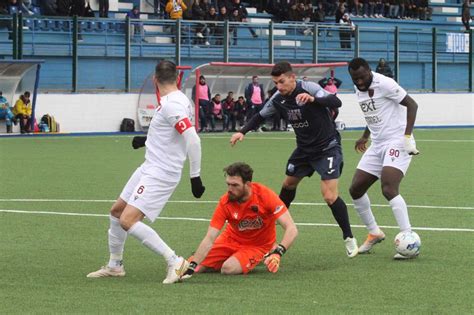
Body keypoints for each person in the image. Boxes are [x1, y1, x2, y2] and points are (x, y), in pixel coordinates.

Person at [87, 60, 206, 284]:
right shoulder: (180, 100)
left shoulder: (172, 104)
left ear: (154, 80)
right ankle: (115, 265)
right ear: (177, 78)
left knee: (127, 220)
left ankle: (175, 261)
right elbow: (173, 134)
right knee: (116, 211)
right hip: (149, 166)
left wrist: (195, 176)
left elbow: (193, 139)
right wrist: (146, 140)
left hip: (161, 172)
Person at [230, 61, 358, 258]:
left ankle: (349, 237)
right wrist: (242, 132)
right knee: (288, 184)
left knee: (329, 196)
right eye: (276, 83)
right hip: (304, 150)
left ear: (292, 78)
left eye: (282, 82)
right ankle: (271, 228)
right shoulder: (277, 98)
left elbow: (336, 102)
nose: (279, 87)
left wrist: (314, 99)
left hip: (327, 147)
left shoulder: (310, 88)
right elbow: (260, 116)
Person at [347, 57, 420, 260]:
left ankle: (409, 237)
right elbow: (373, 114)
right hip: (378, 144)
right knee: (356, 189)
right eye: (355, 79)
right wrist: (365, 136)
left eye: (362, 77)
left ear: (369, 71)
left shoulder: (385, 84)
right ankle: (374, 232)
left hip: (397, 141)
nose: (359, 82)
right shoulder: (358, 88)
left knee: (388, 188)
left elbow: (412, 105)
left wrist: (406, 137)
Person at [180, 162, 298, 278]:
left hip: (257, 246)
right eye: (228, 184)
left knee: (228, 268)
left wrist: (278, 253)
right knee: (194, 266)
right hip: (229, 240)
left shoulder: (265, 195)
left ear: (247, 184)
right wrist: (192, 265)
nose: (230, 189)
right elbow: (210, 238)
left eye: (235, 185)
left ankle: (267, 252)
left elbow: (291, 228)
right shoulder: (225, 202)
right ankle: (227, 257)